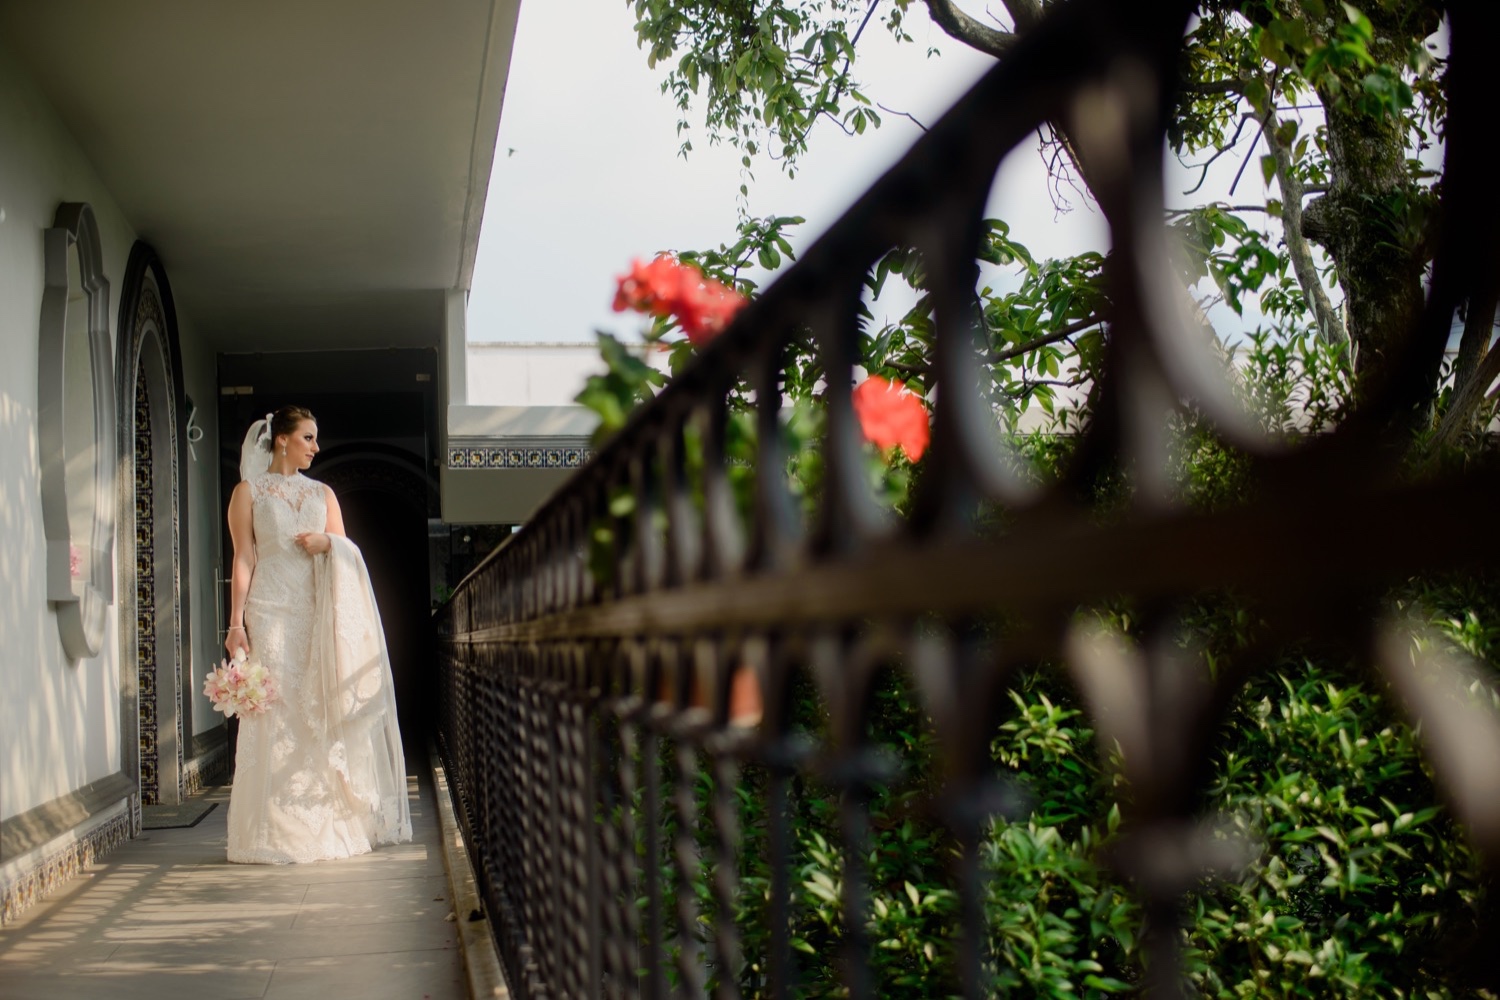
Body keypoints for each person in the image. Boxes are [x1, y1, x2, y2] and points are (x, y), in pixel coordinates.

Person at [223, 406, 411, 863]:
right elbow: (244, 559)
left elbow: (347, 550)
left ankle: (323, 824)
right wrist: (235, 624)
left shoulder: (323, 493)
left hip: (313, 611)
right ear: (282, 439)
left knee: (316, 708)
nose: (316, 446)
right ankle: (267, 832)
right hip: (268, 613)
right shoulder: (248, 493)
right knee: (275, 713)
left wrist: (329, 543)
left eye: (315, 438)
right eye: (308, 437)